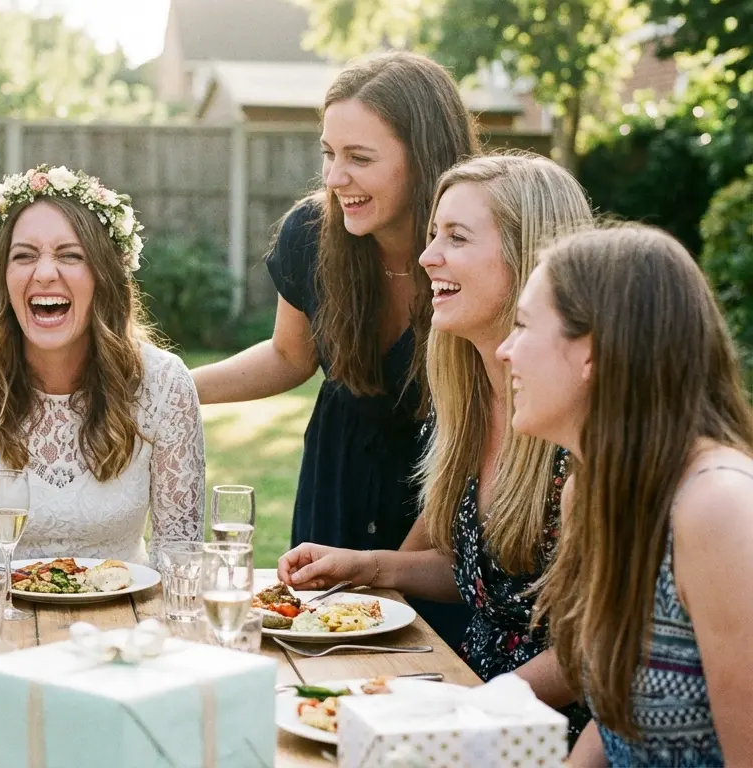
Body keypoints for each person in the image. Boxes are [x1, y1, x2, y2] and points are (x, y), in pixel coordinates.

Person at [277, 153, 593, 743]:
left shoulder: (580, 432)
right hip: (467, 705)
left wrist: (455, 716)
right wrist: (366, 564)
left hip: (546, 735)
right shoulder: (464, 401)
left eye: (456, 237)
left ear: (530, 257)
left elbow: (595, 650)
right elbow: (483, 572)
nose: (426, 257)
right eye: (431, 235)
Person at [189, 51, 480, 644]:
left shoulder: (474, 250)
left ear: (424, 160)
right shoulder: (311, 234)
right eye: (328, 153)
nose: (333, 178)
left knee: (419, 669)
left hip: (439, 488)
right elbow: (289, 356)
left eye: (359, 158)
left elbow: (480, 431)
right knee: (320, 658)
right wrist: (172, 389)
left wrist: (392, 570)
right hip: (337, 473)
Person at [500, 225, 753, 767]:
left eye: (522, 326)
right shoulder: (588, 492)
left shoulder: (719, 508)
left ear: (590, 353)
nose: (505, 350)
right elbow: (618, 722)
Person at [0, 164, 205, 567]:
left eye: (70, 256)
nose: (45, 273)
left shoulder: (166, 384)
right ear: (2, 276)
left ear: (105, 276)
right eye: (24, 256)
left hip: (125, 619)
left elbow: (179, 555)